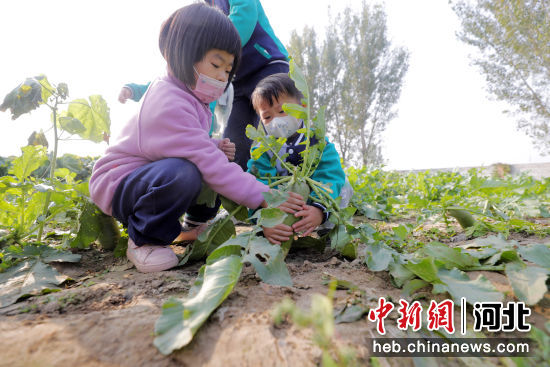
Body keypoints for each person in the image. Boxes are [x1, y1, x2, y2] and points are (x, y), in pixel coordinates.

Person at [89, 4, 304, 273]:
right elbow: (204, 162)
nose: (221, 77)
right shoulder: (169, 102)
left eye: (228, 71)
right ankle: (145, 239)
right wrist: (265, 197)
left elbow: (175, 146)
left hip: (144, 176)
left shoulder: (188, 96)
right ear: (184, 54)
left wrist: (214, 146)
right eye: (216, 65)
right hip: (119, 181)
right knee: (188, 172)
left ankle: (192, 225)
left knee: (216, 155)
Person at [119, 0, 290, 171]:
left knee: (281, 127)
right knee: (234, 143)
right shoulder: (205, 10)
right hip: (237, 80)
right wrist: (203, 136)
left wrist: (215, 46)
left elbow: (245, 15)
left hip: (267, 65)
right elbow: (187, 84)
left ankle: (299, 179)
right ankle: (233, 192)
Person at [247, 73, 348, 245]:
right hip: (280, 207)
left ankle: (329, 227)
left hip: (312, 202)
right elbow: (257, 185)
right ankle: (272, 229)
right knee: (253, 189)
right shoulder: (262, 150)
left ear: (302, 107)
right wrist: (266, 219)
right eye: (268, 117)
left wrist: (319, 210)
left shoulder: (318, 143)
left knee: (344, 184)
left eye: (282, 111)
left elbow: (329, 176)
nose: (276, 121)